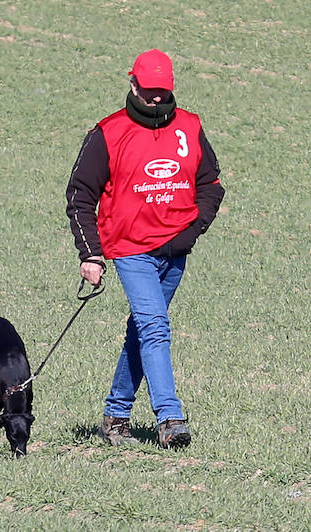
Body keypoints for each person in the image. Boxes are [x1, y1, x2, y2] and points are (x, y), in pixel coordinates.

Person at [64, 50, 225, 449]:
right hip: (130, 249)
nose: (155, 99)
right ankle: (170, 418)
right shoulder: (108, 133)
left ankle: (116, 414)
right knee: (155, 327)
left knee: (141, 331)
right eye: (149, 91)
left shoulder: (189, 126)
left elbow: (211, 185)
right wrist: (91, 253)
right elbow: (80, 195)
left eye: (163, 92)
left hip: (176, 250)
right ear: (132, 84)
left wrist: (193, 230)